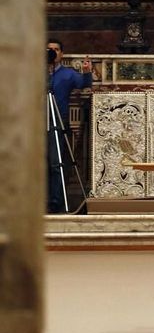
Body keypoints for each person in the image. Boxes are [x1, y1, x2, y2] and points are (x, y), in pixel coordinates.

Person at [46, 40, 93, 213]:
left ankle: (56, 203)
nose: (53, 53)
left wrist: (87, 72)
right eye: (49, 50)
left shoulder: (67, 74)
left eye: (56, 50)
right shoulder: (36, 72)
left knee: (56, 163)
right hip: (35, 121)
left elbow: (84, 84)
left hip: (57, 121)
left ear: (62, 54)